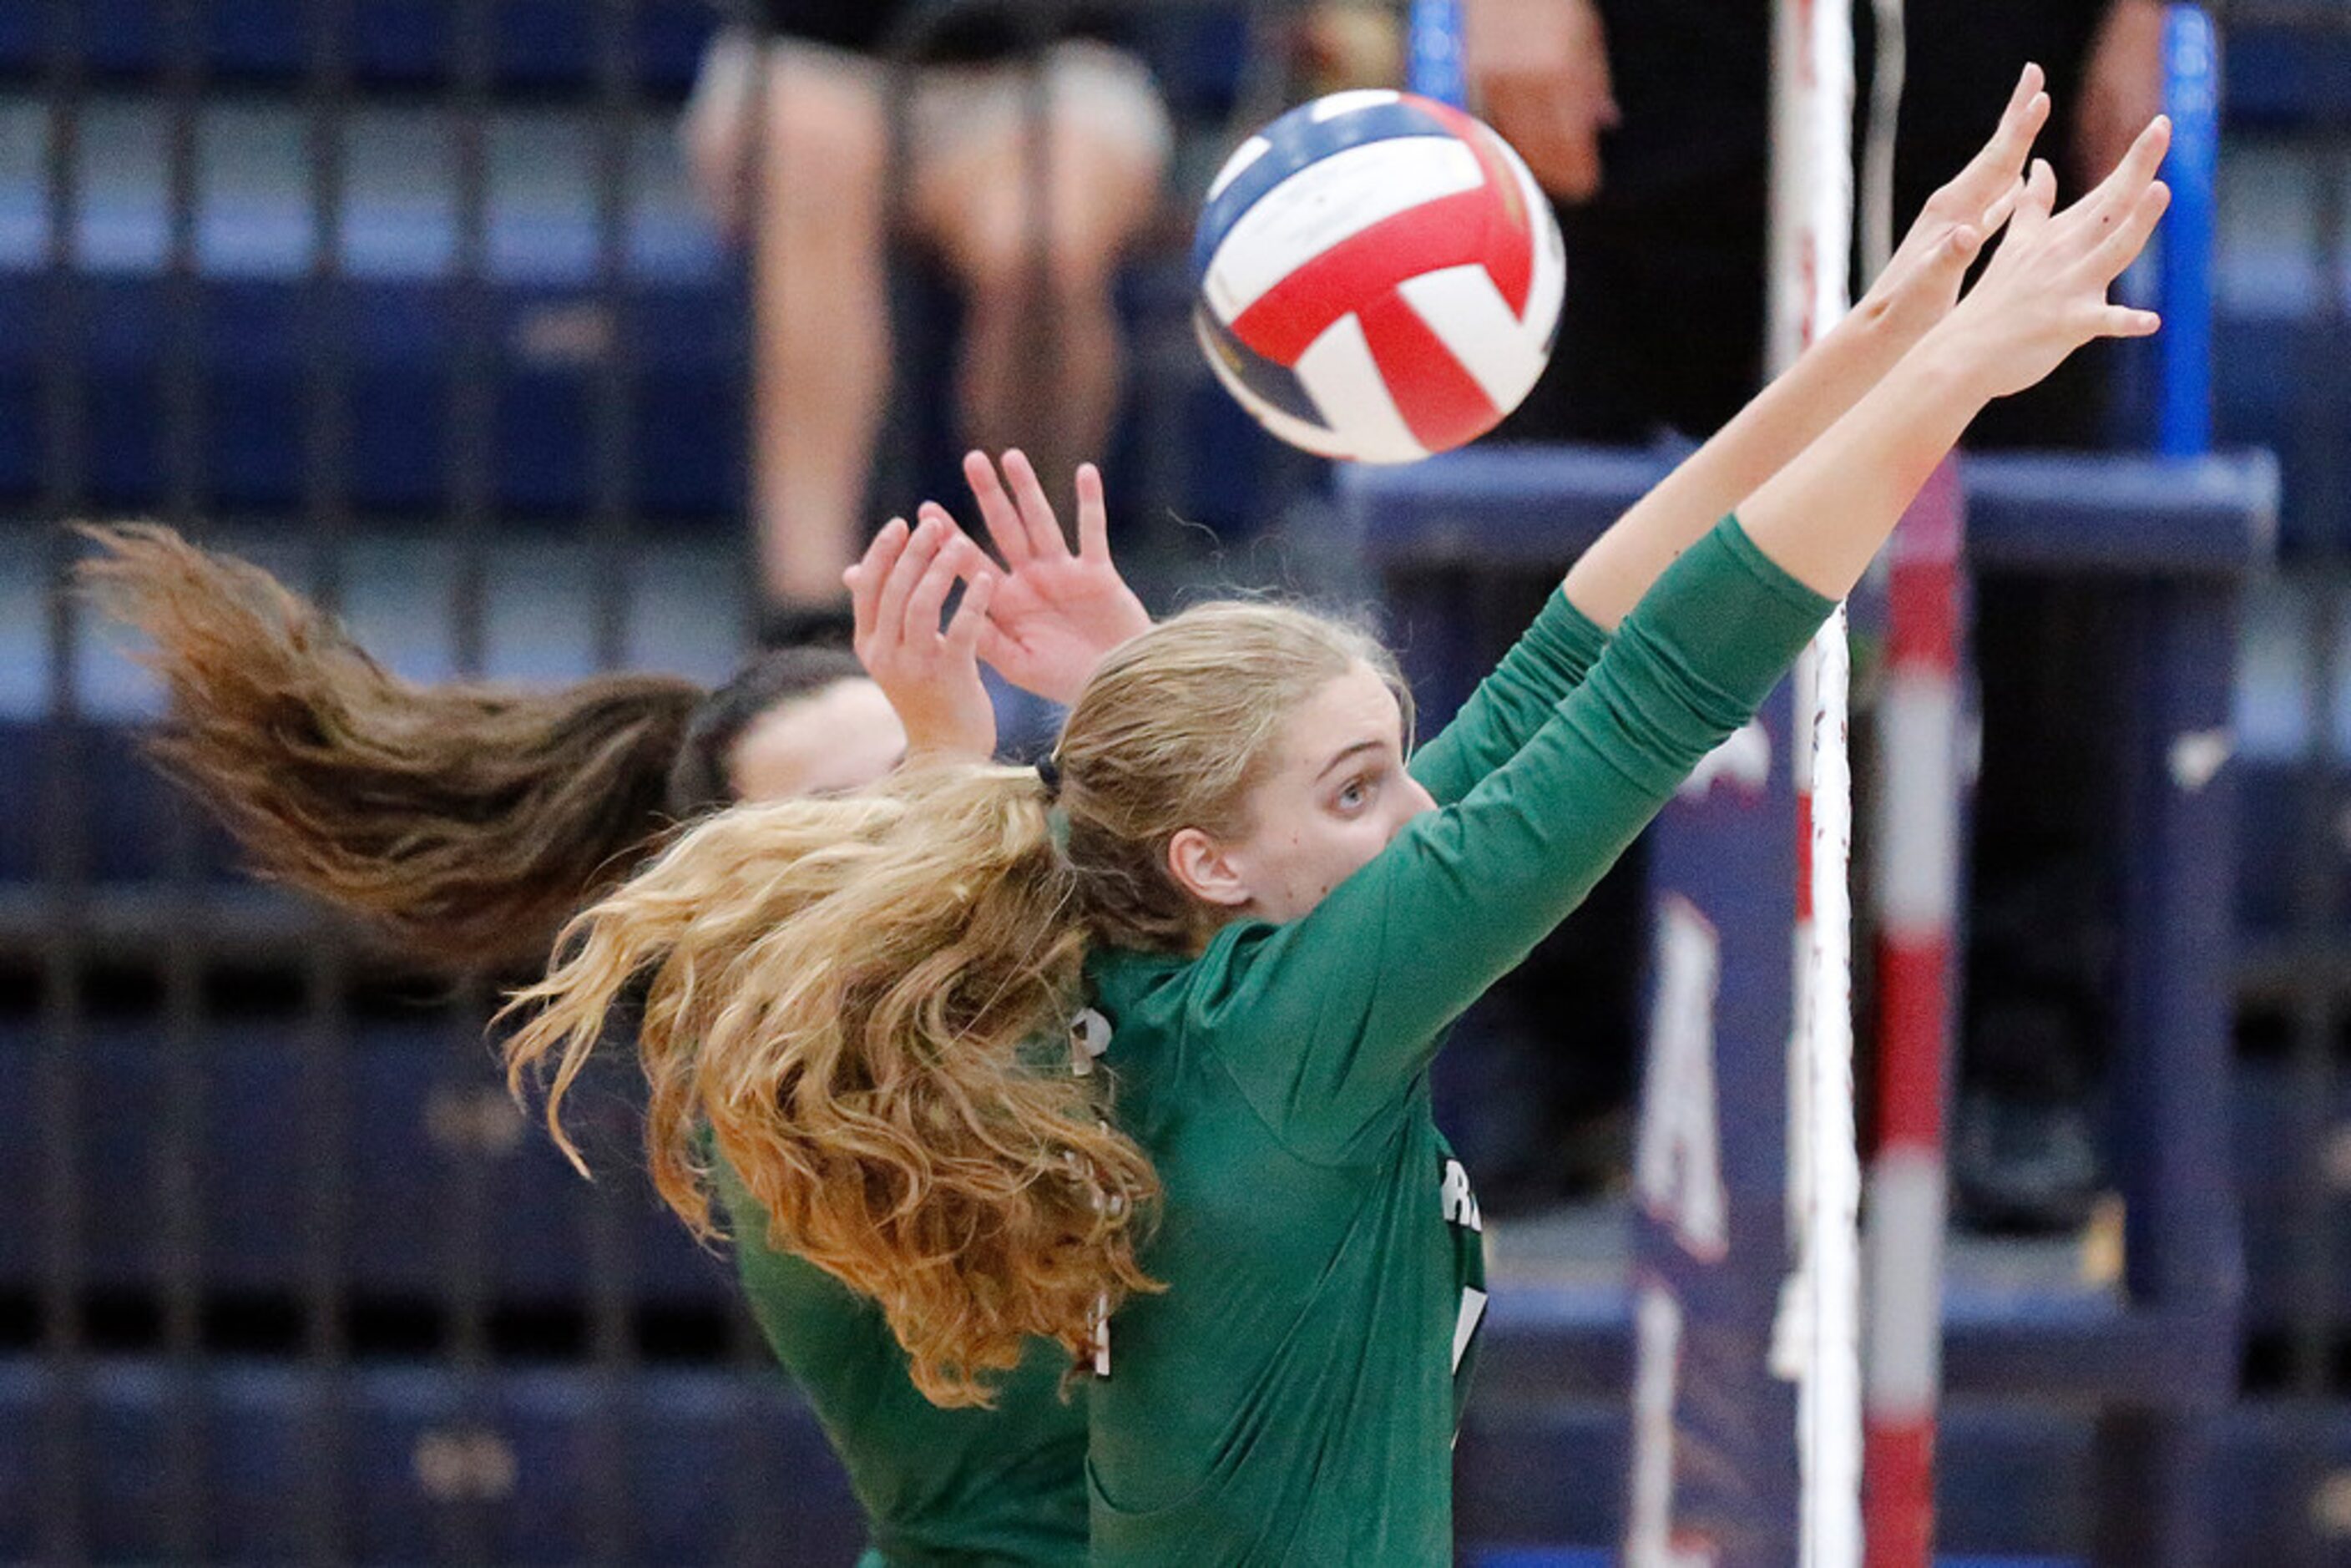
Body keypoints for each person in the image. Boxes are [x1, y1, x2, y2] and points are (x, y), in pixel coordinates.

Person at [503, 83, 2168, 1560]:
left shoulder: (1195, 976)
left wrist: (1871, 337)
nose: (1422, 803)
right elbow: (1664, 681)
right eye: (1360, 787)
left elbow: (1570, 649)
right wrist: (1952, 371)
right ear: (1212, 862)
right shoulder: (1295, 1017)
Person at [79, 448, 1152, 1565]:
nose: (902, 814)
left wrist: (1145, 680)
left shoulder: (1098, 942)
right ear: (737, 892)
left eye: (914, 765)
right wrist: (943, 772)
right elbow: (920, 1053)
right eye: (845, 806)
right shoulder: (770, 1079)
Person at [1465, 0, 2170, 1226]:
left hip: (1994, 47)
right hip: (1670, 73)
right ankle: (1538, 1037)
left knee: (2044, 493)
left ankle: (2025, 1052)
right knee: (1563, 485)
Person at [680, 1, 1172, 644]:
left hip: (1052, 67)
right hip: (808, 61)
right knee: (805, 149)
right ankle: (808, 607)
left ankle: (1034, 574)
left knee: (1040, 244)